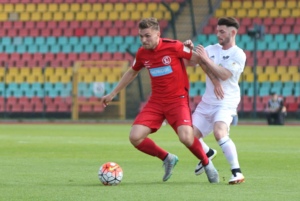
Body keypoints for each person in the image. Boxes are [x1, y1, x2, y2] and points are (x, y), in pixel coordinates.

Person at [100, 17, 219, 183]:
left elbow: (196, 61)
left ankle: (207, 163)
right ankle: (167, 158)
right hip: (156, 101)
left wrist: (190, 52)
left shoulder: (174, 46)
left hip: (177, 100)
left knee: (186, 137)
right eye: (141, 36)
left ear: (158, 34)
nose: (143, 40)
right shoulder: (142, 53)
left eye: (147, 36)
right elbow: (132, 72)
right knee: (135, 137)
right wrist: (113, 93)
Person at [184, 17, 246, 184]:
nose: (218, 34)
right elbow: (190, 63)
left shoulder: (238, 54)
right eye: (217, 30)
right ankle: (208, 153)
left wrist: (206, 60)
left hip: (226, 102)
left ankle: (237, 172)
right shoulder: (211, 49)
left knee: (220, 132)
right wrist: (188, 50)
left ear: (233, 33)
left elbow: (225, 74)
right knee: (188, 136)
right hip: (207, 102)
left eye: (222, 31)